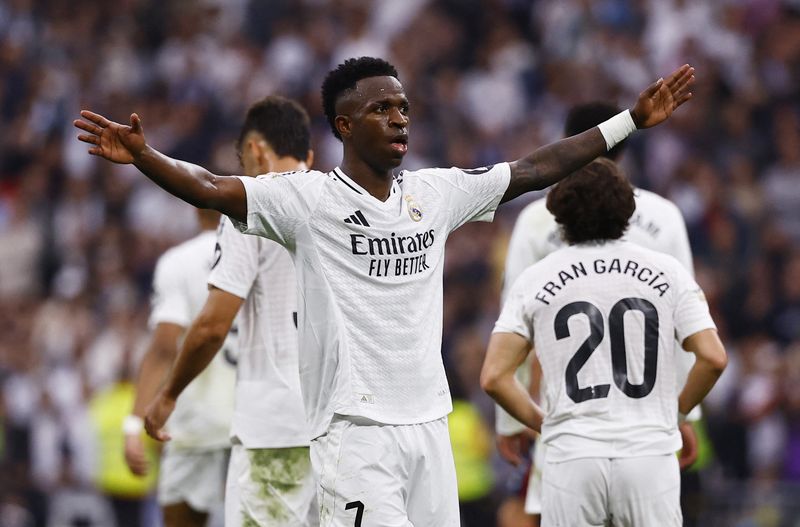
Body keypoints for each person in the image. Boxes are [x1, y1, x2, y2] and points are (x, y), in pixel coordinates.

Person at [74, 56, 694, 526]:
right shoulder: (306, 200)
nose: (399, 118)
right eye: (381, 110)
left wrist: (630, 121)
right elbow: (211, 187)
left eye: (403, 108)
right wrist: (145, 156)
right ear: (344, 125)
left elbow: (536, 168)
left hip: (428, 426)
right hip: (353, 430)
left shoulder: (436, 194)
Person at [481, 158, 727, 526]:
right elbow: (713, 358)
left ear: (558, 213)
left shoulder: (535, 278)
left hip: (572, 455)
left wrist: (544, 423)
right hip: (648, 454)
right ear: (627, 208)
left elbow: (494, 377)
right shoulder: (668, 272)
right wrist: (675, 414)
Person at [144, 96, 319, 526]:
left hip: (276, 424)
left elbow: (210, 326)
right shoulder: (344, 203)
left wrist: (167, 394)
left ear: (255, 152)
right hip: (343, 425)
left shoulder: (251, 204)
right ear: (309, 157)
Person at [122, 207, 237, 527]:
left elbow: (163, 347)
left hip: (196, 423)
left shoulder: (179, 261)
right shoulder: (271, 250)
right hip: (261, 423)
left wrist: (134, 425)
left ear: (196, 207)